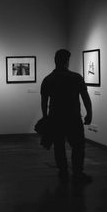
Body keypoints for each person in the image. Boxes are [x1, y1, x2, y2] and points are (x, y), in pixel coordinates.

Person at [41, 49, 93, 183]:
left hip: (56, 117)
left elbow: (44, 101)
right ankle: (77, 172)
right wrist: (89, 112)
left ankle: (63, 171)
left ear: (55, 61)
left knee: (59, 145)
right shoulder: (76, 77)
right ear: (67, 61)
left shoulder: (48, 79)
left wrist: (45, 117)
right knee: (78, 146)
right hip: (73, 117)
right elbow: (85, 97)